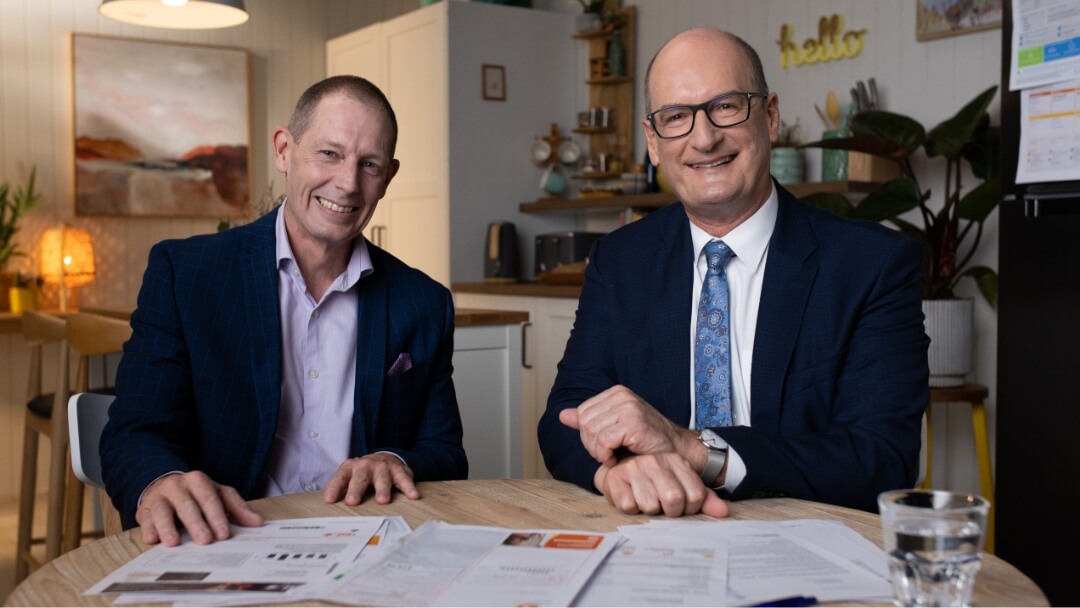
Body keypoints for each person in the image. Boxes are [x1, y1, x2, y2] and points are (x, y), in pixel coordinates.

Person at [538, 28, 929, 518]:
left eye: (726, 106)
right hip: (655, 533)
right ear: (653, 142)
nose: (704, 139)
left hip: (807, 538)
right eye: (676, 117)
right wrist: (615, 472)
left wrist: (694, 451)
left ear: (770, 115)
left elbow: (883, 459)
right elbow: (565, 416)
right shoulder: (620, 260)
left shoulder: (871, 264)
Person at [101, 75, 468, 546]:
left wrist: (394, 460)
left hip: (366, 539)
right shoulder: (186, 274)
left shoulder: (424, 302)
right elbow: (133, 432)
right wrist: (160, 480)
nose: (347, 182)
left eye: (369, 164)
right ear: (283, 150)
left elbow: (445, 453)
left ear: (388, 178)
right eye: (329, 153)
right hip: (229, 535)